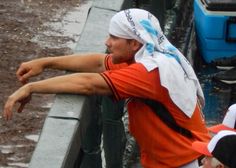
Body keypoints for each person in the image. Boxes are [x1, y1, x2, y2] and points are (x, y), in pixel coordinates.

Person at [3, 8, 210, 167]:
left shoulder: (149, 72)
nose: (107, 42)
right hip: (176, 157)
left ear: (134, 44)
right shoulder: (150, 55)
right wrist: (46, 63)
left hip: (184, 161)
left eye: (114, 37)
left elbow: (89, 84)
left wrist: (32, 88)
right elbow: (99, 63)